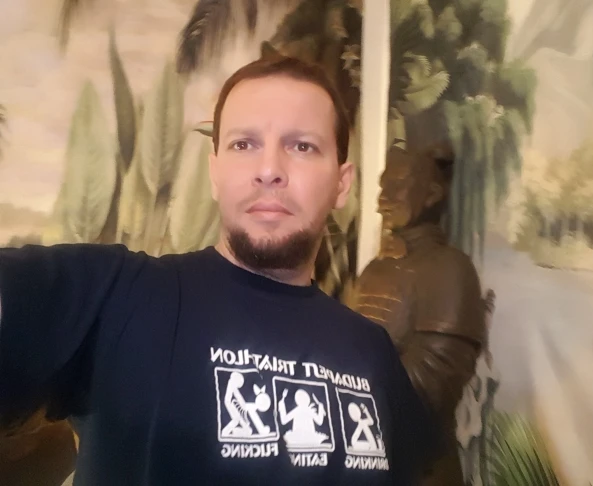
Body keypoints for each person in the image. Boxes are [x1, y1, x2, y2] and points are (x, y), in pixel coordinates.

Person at [0, 56, 442, 485]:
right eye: (243, 144)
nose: (269, 170)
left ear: (341, 185)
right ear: (215, 173)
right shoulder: (115, 295)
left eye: (302, 146)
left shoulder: (374, 351)